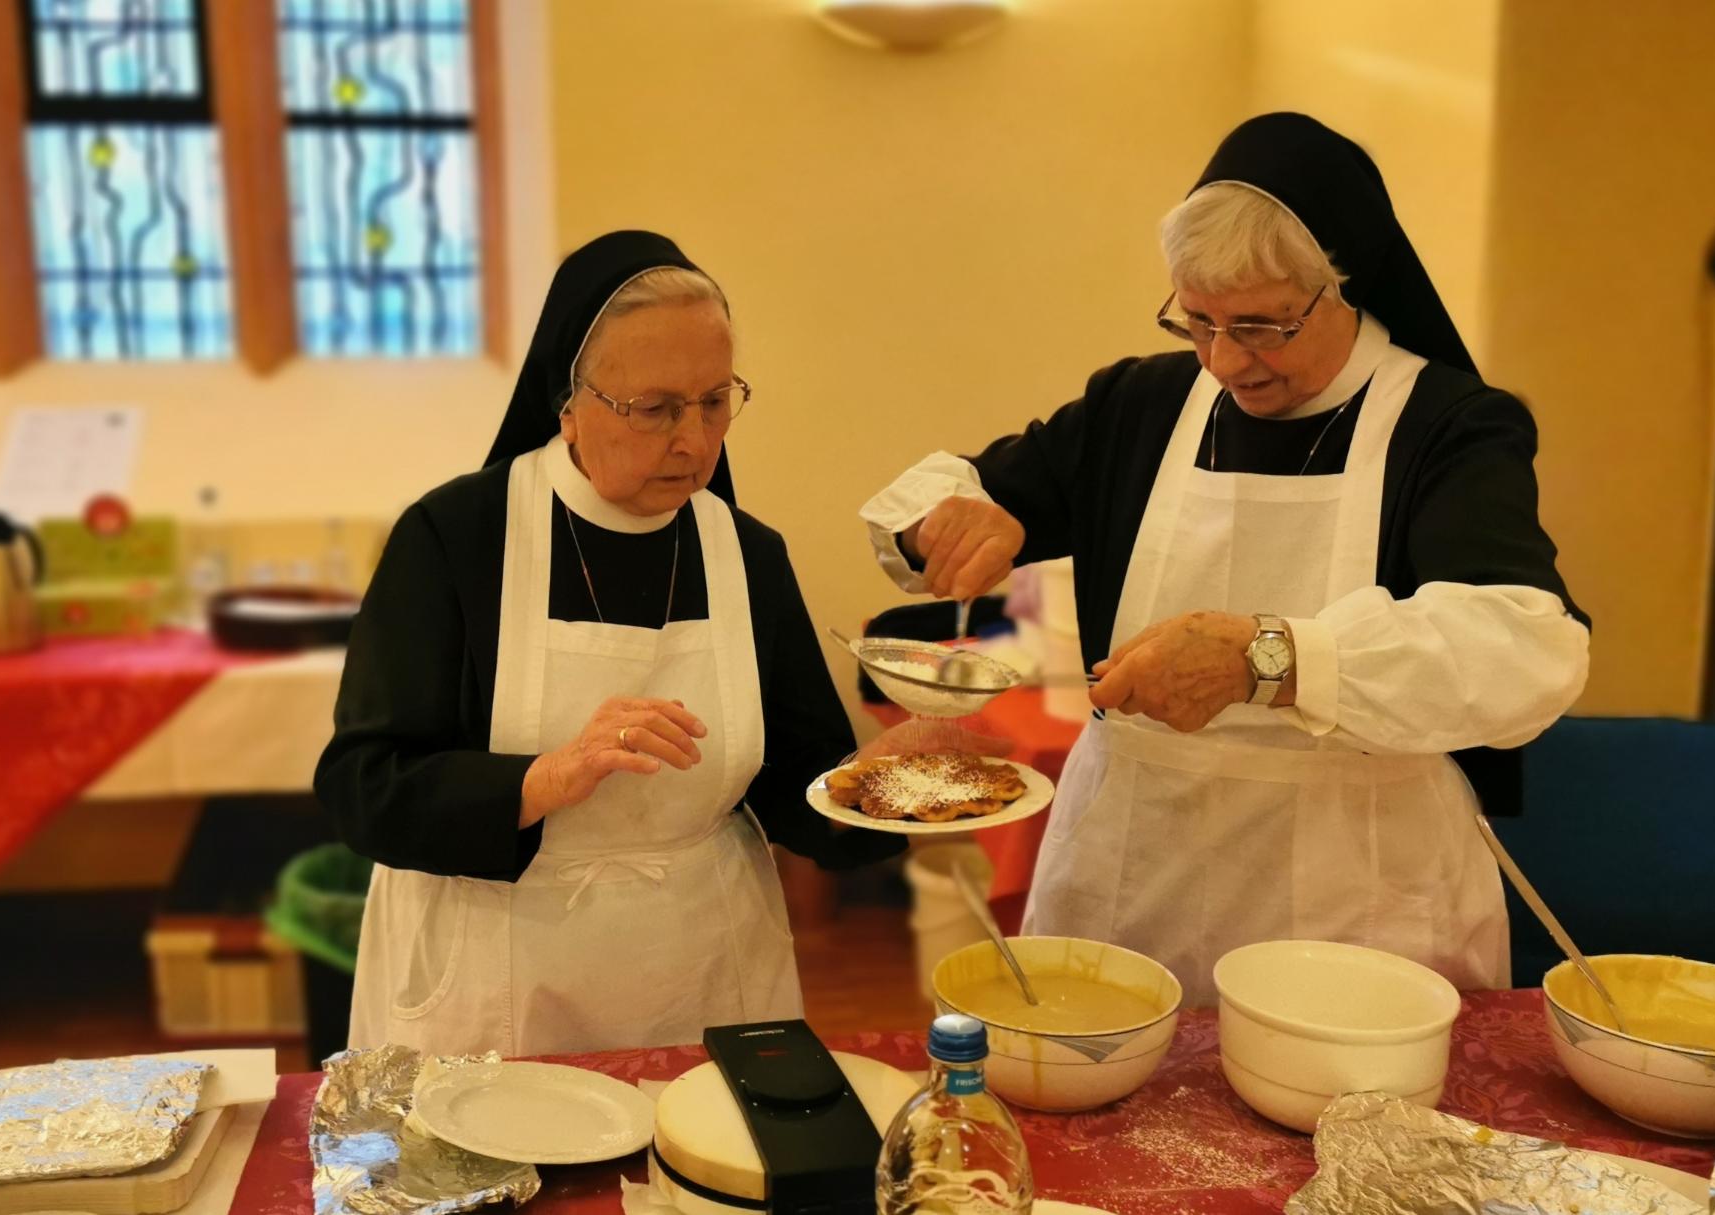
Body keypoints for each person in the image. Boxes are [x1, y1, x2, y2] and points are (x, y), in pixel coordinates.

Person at [859, 114, 1590, 1003]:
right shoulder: (1144, 402)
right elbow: (935, 494)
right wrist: (948, 519)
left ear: (1343, 283)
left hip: (1356, 887)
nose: (1226, 360)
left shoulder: (1448, 425)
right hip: (1135, 870)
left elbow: (1525, 649)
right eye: (1196, 321)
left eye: (1263, 326)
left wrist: (1265, 659)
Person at [318, 231, 909, 1057]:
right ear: (569, 402)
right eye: (656, 408)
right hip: (497, 971)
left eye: (715, 401)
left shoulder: (747, 553)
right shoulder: (453, 538)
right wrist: (544, 776)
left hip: (700, 966)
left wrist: (888, 787)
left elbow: (798, 783)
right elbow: (362, 786)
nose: (695, 440)